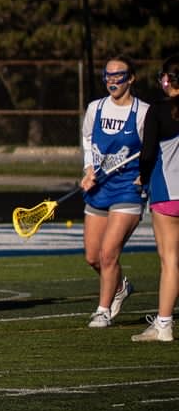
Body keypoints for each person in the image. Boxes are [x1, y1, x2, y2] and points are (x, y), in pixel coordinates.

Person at [80, 56, 147, 328]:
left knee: (109, 254)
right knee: (93, 257)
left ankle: (103, 310)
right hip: (99, 187)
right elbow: (87, 140)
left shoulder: (143, 112)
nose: (112, 80)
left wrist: (146, 172)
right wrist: (87, 169)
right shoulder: (95, 108)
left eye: (119, 75)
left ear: (131, 78)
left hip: (127, 189)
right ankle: (120, 286)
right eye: (108, 75)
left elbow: (153, 148)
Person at [132, 55, 179, 343]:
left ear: (166, 81)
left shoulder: (158, 111)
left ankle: (164, 324)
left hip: (168, 193)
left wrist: (141, 177)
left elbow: (148, 154)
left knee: (170, 260)